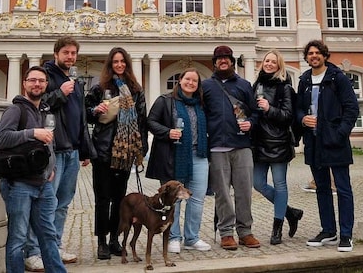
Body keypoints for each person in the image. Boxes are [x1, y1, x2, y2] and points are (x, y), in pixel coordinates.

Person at [28, 37, 93, 268]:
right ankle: (33, 250)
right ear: (56, 53)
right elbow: (38, 103)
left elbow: (81, 117)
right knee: (45, 201)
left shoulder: (74, 81)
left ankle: (53, 247)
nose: (70, 57)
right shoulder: (45, 75)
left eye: (74, 53)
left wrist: (85, 149)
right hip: (53, 150)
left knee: (63, 203)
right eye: (66, 52)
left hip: (72, 150)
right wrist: (60, 93)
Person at [0, 66, 66, 273]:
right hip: (19, 184)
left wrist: (50, 169)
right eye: (33, 80)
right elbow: (2, 139)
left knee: (48, 235)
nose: (37, 84)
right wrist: (33, 132)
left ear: (46, 85)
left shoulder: (44, 110)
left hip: (44, 184)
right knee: (18, 238)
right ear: (24, 83)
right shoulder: (15, 110)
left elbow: (49, 143)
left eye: (41, 81)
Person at [296, 40, 359, 252]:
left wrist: (340, 133)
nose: (314, 56)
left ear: (324, 55)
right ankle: (328, 231)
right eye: (310, 53)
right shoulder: (304, 79)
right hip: (313, 142)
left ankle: (346, 234)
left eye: (317, 53)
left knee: (343, 189)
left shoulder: (337, 78)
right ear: (306, 57)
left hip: (335, 141)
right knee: (321, 188)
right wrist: (303, 119)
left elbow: (351, 108)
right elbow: (298, 109)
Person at [86, 47, 147, 260]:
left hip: (125, 151)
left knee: (119, 199)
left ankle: (114, 239)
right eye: (115, 62)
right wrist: (95, 111)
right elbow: (86, 115)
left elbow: (141, 120)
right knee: (102, 198)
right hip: (103, 150)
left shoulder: (136, 90)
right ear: (110, 65)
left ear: (127, 64)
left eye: (122, 61)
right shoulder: (99, 88)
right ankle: (102, 241)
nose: (119, 65)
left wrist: (141, 150)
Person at [146, 68, 211, 254]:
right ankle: (173, 237)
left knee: (197, 199)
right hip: (172, 156)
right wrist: (167, 132)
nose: (191, 83)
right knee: (173, 200)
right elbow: (151, 121)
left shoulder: (201, 104)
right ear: (180, 80)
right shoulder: (165, 100)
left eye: (195, 81)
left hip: (199, 155)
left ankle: (192, 238)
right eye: (187, 79)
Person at [201, 45, 260, 251]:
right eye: (219, 59)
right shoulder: (206, 86)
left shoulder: (244, 85)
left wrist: (251, 123)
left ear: (232, 62)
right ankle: (226, 233)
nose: (223, 61)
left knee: (244, 191)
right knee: (222, 193)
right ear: (214, 63)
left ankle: (245, 232)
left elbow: (255, 113)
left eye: (226, 58)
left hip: (242, 145)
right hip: (217, 146)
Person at [251, 49, 303, 245]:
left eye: (273, 61)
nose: (269, 64)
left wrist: (269, 109)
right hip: (259, 143)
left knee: (280, 184)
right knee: (258, 183)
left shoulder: (285, 88)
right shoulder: (256, 86)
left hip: (279, 143)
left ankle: (277, 227)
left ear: (279, 65)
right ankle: (291, 212)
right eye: (267, 61)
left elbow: (288, 116)